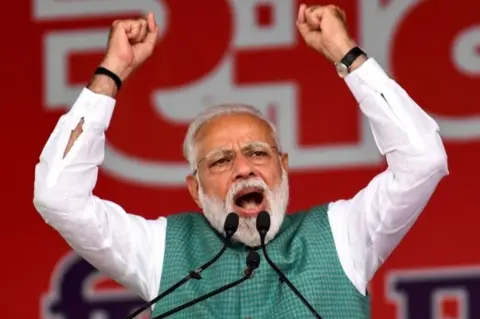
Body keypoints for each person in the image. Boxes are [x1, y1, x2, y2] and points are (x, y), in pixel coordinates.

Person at [33, 3, 449, 319]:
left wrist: (345, 53)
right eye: (220, 161)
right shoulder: (158, 250)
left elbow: (423, 159)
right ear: (195, 189)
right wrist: (112, 71)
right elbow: (58, 197)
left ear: (282, 167)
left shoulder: (345, 236)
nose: (244, 169)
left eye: (256, 153)